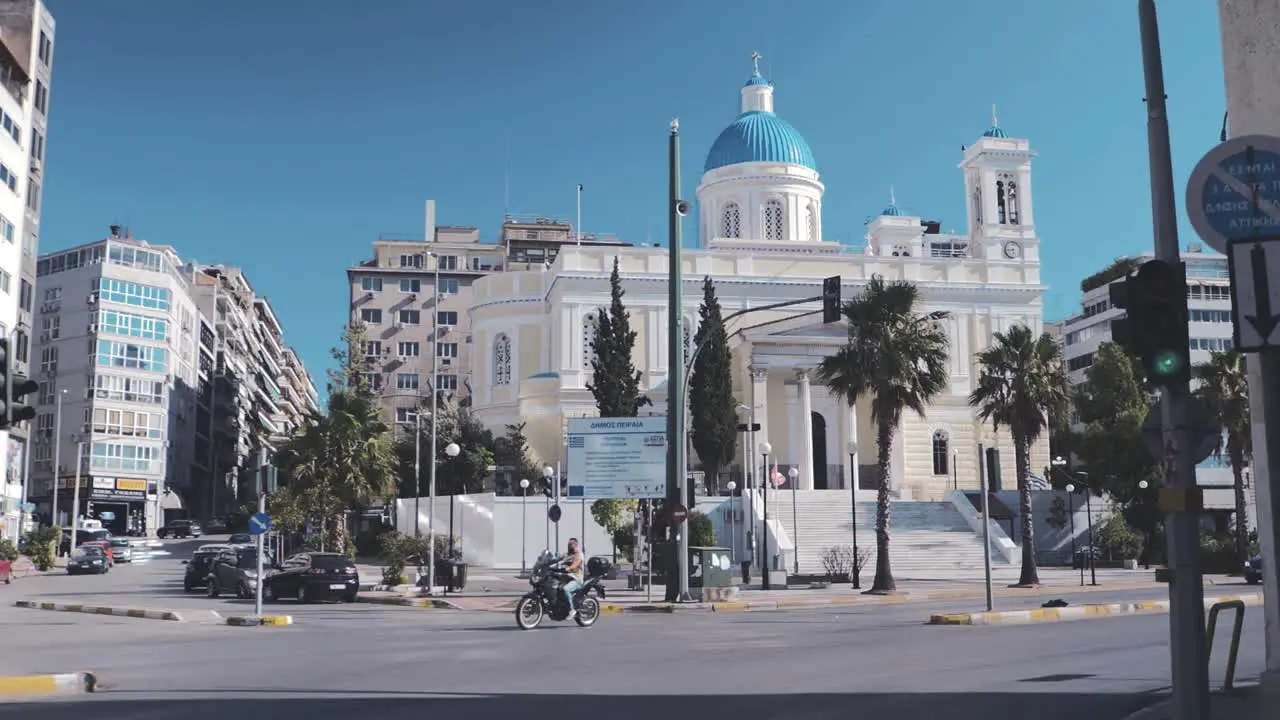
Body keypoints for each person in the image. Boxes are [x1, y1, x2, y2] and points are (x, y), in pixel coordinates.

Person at [560, 538, 585, 615]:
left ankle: (572, 609)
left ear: (576, 545)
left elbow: (576, 564)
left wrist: (569, 568)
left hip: (576, 579)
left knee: (565, 589)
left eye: (571, 544)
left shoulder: (579, 554)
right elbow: (557, 559)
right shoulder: (567, 555)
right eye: (569, 544)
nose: (569, 546)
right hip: (567, 578)